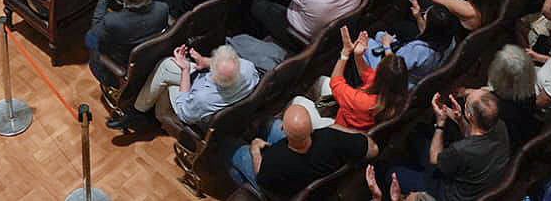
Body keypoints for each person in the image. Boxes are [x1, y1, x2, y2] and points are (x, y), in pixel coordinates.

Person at [230, 102, 376, 193]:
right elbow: (373, 149)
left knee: (233, 148)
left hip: (285, 193)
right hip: (322, 188)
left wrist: (255, 151)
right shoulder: (331, 137)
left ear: (283, 130)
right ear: (312, 128)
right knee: (270, 124)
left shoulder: (274, 161)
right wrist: (338, 129)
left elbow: (261, 178)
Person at [392, 90, 512, 199]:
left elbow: (435, 160)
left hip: (448, 193)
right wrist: (459, 119)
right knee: (416, 137)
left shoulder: (461, 150)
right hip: (476, 180)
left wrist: (440, 123)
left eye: (466, 101)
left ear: (469, 115)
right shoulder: (500, 126)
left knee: (391, 172)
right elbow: (474, 134)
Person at [131, 43, 259, 126]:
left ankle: (139, 112)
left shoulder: (202, 98)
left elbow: (183, 110)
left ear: (213, 75)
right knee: (167, 68)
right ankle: (150, 112)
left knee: (166, 67)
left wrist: (185, 69)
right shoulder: (247, 67)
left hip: (193, 110)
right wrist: (203, 61)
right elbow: (224, 65)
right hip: (221, 96)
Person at [89, 0, 172, 96]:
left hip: (121, 70)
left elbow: (95, 29)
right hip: (150, 63)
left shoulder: (113, 21)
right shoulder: (162, 9)